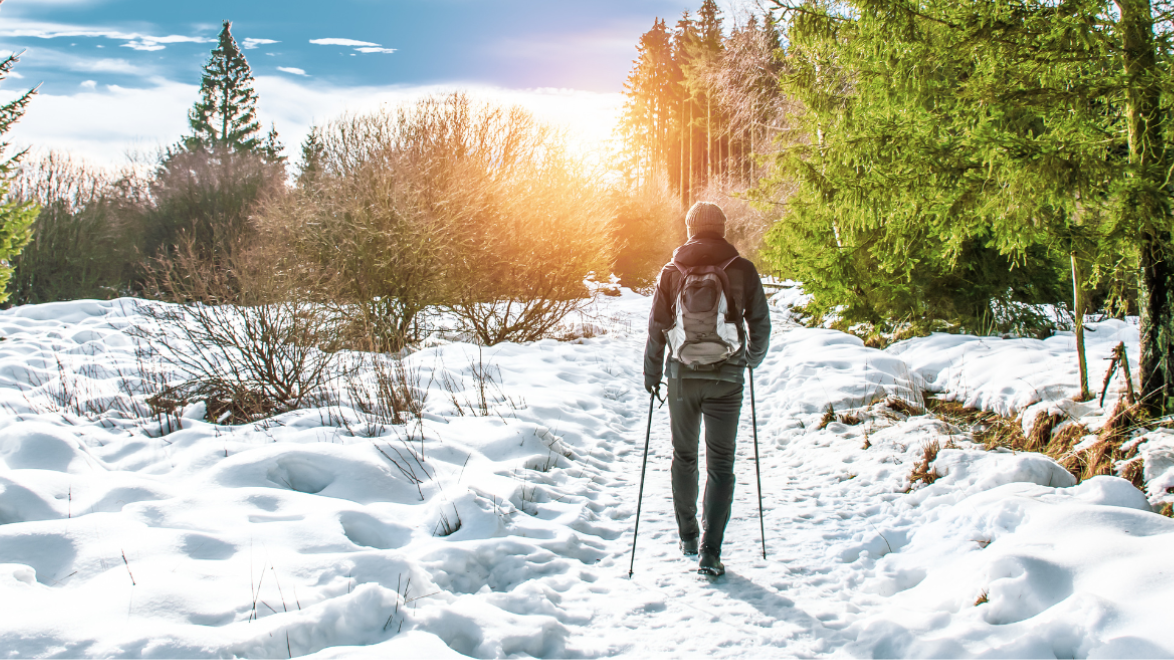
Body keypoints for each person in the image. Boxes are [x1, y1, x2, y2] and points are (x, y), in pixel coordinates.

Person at [643, 201, 771, 576]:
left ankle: (686, 535)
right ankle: (710, 551)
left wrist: (652, 375)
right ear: (722, 229)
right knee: (721, 465)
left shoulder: (671, 272)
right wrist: (750, 360)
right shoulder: (742, 269)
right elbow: (760, 323)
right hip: (727, 379)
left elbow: (657, 327)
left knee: (684, 457)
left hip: (681, 377)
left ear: (690, 230)